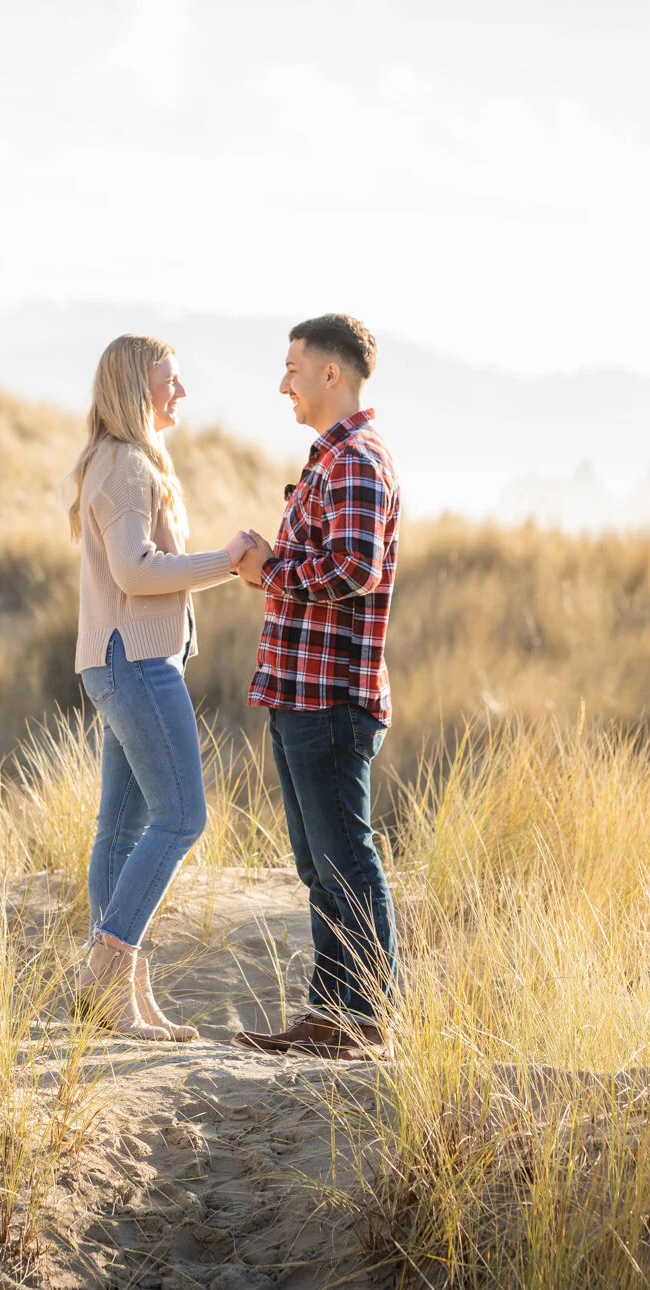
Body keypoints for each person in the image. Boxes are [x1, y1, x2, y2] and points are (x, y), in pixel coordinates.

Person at [69, 334, 255, 1040]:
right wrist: (226, 562)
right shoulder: (122, 465)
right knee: (181, 817)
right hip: (136, 662)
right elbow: (136, 571)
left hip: (122, 660)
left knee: (119, 827)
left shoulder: (125, 460)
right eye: (169, 380)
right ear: (134, 387)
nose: (180, 393)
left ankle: (120, 1002)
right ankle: (103, 971)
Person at [230, 315, 401, 1059]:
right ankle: (331, 1015)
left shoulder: (357, 460)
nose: (283, 381)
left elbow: (352, 571)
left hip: (331, 698)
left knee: (345, 859)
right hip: (300, 692)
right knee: (318, 864)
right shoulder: (331, 459)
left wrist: (265, 569)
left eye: (294, 366)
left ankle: (365, 1021)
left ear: (332, 374)